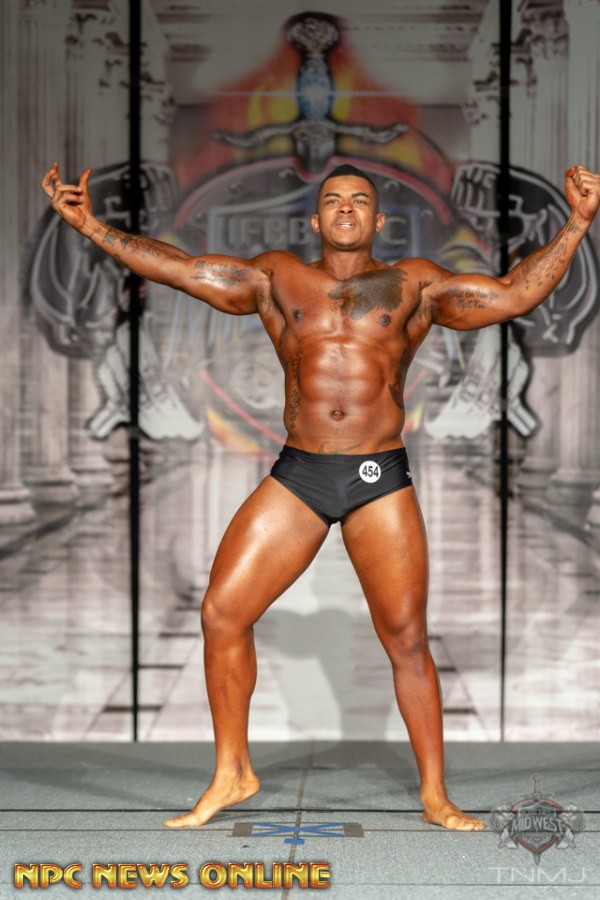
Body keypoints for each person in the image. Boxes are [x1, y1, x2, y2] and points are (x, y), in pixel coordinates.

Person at [42, 161, 599, 831]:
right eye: (333, 200)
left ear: (378, 219)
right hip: (301, 473)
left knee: (407, 638)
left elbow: (511, 295)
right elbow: (183, 271)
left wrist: (577, 223)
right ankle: (233, 771)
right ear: (316, 218)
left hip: (376, 476)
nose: (345, 208)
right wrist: (91, 226)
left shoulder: (414, 284)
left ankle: (435, 795)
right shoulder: (278, 278)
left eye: (359, 200)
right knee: (222, 613)